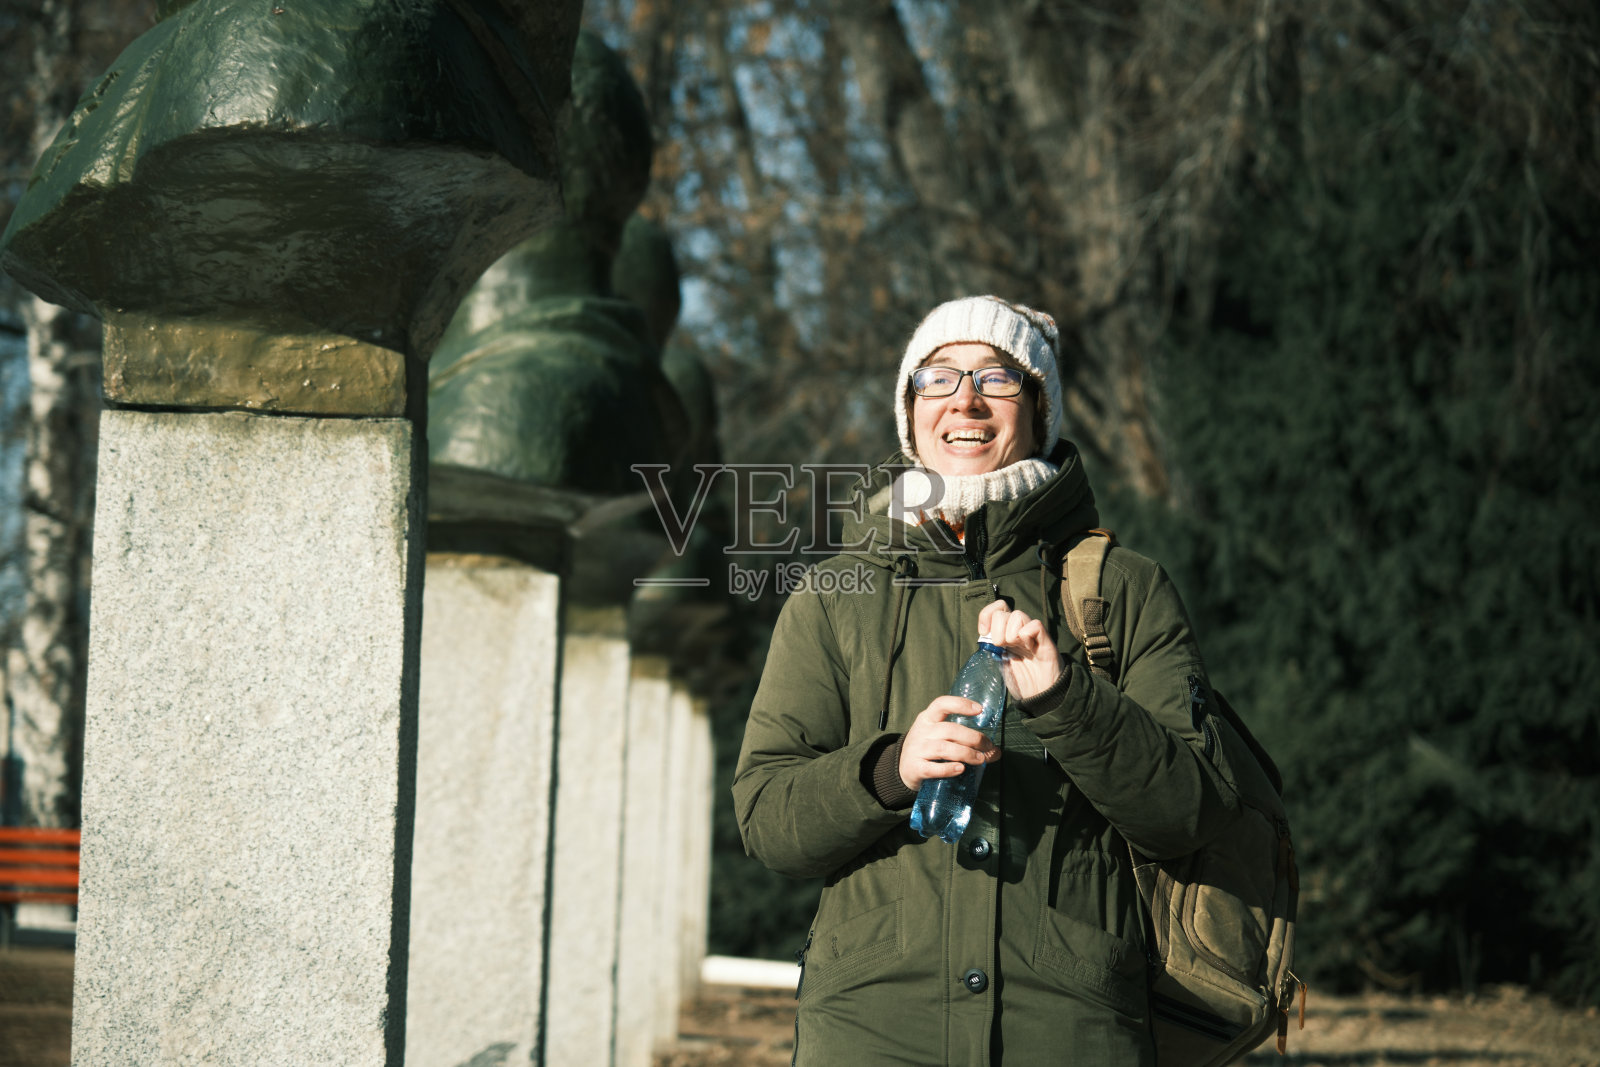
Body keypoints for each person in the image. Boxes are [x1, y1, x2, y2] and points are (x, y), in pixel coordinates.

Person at [732, 295, 1244, 1065]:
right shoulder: (835, 595)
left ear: (1041, 409)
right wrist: (889, 769)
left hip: (1071, 1031)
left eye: (997, 378)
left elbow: (1193, 810)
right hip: (871, 1032)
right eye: (937, 378)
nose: (964, 399)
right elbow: (767, 815)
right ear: (911, 415)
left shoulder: (1125, 590)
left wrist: (1071, 703)